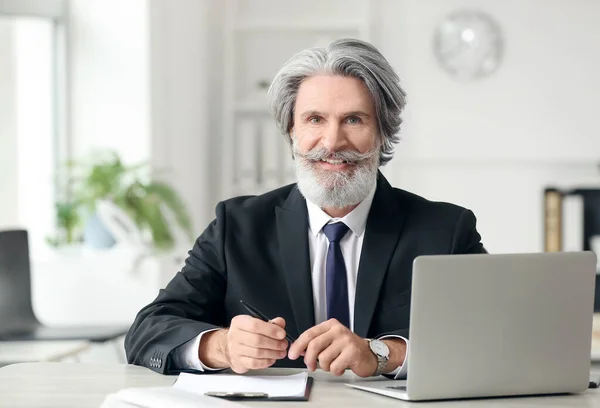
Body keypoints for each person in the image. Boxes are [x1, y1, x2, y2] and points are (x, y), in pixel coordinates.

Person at [124, 38, 486, 379]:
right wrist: (221, 347)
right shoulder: (236, 226)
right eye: (315, 119)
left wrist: (380, 354)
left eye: (354, 119)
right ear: (291, 130)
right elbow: (149, 330)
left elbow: (495, 338)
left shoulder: (446, 230)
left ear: (382, 132)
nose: (332, 142)